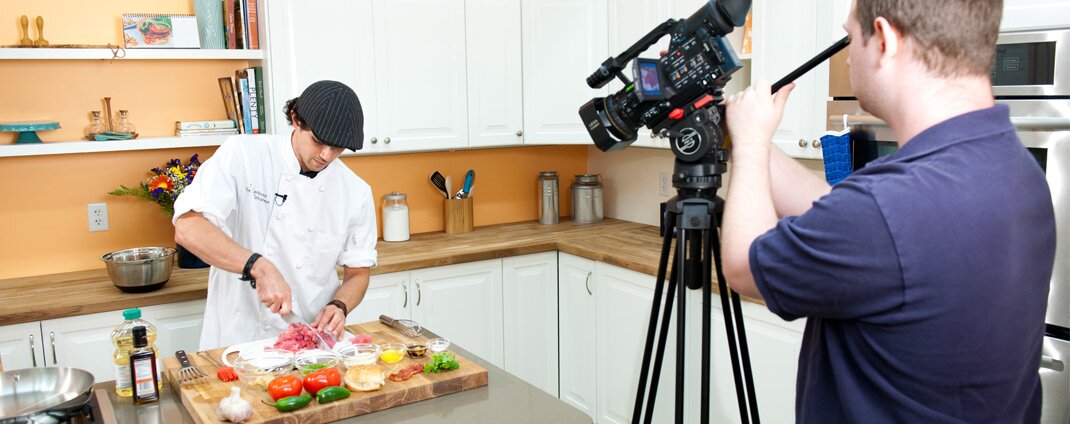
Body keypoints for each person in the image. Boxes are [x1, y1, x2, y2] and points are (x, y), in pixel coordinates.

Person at [720, 0, 1055, 422]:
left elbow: (741, 266)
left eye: (850, 38)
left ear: (885, 39)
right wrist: (741, 131)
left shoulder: (887, 208)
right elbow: (848, 221)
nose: (849, 54)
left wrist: (749, 146)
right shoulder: (1015, 167)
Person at [174, 80, 378, 350]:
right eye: (318, 141)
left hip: (310, 342)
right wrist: (258, 267)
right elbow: (188, 228)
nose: (327, 156)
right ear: (296, 119)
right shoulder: (243, 155)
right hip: (238, 337)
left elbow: (358, 272)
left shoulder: (355, 191)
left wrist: (339, 305)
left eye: (338, 148)